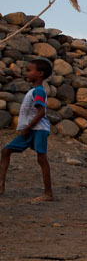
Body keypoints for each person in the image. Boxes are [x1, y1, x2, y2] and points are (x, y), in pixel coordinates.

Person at [0, 58, 54, 201]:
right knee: (6, 151)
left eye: (29, 71)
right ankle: (1, 186)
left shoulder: (39, 91)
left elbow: (41, 111)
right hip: (31, 130)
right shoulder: (33, 90)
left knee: (42, 158)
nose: (26, 73)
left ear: (40, 73)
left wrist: (28, 127)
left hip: (38, 129)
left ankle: (48, 194)